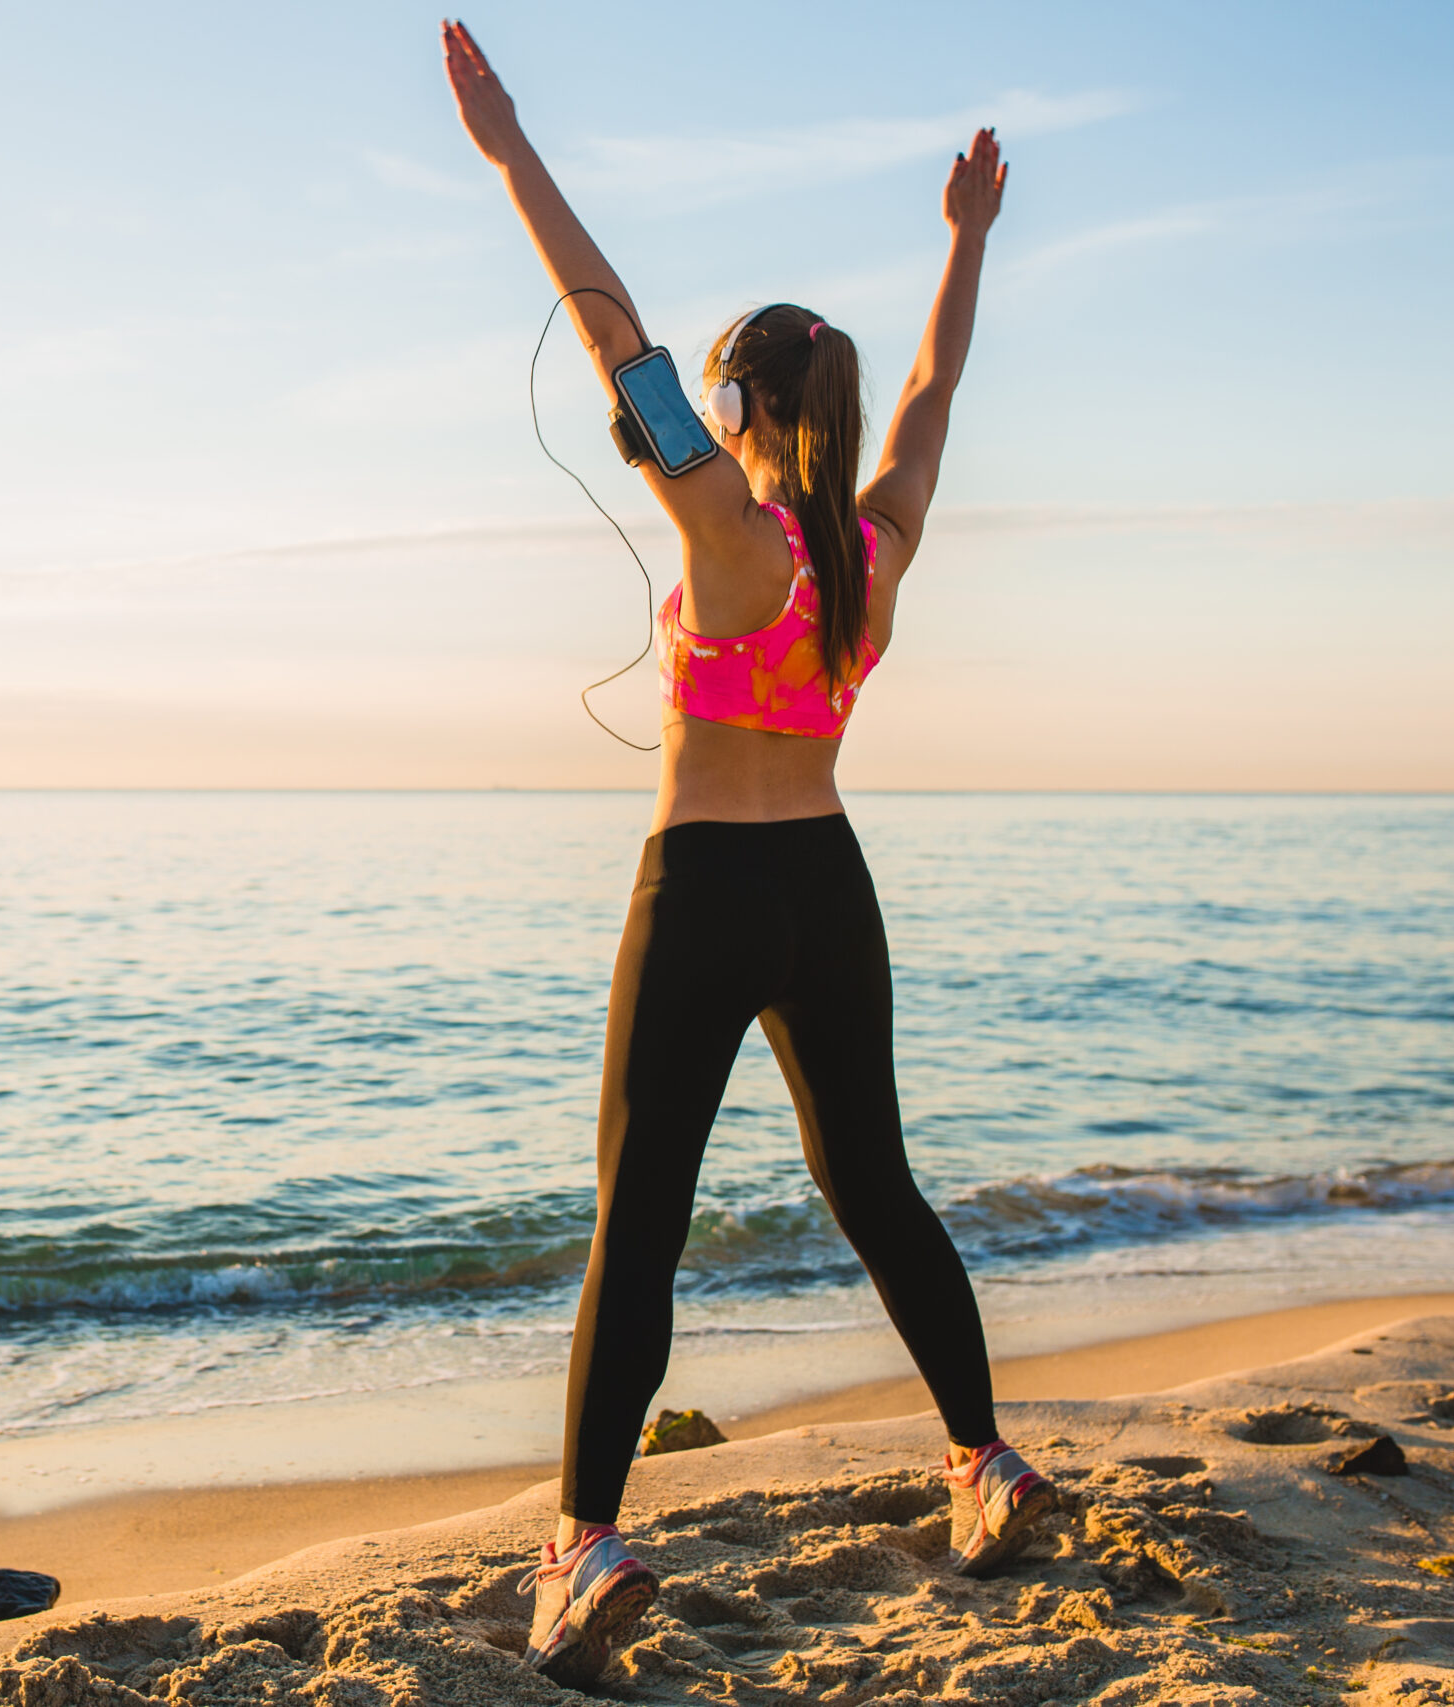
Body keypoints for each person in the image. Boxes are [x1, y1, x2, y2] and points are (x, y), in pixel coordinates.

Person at [440, 18, 1054, 1689]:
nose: (692, 410)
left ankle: (583, 1548)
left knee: (639, 1222)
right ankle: (981, 1459)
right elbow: (934, 394)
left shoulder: (724, 527)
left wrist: (509, 159)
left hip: (705, 885)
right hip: (829, 891)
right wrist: (965, 243)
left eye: (714, 395)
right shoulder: (876, 545)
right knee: (877, 1190)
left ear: (743, 407)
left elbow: (608, 332)